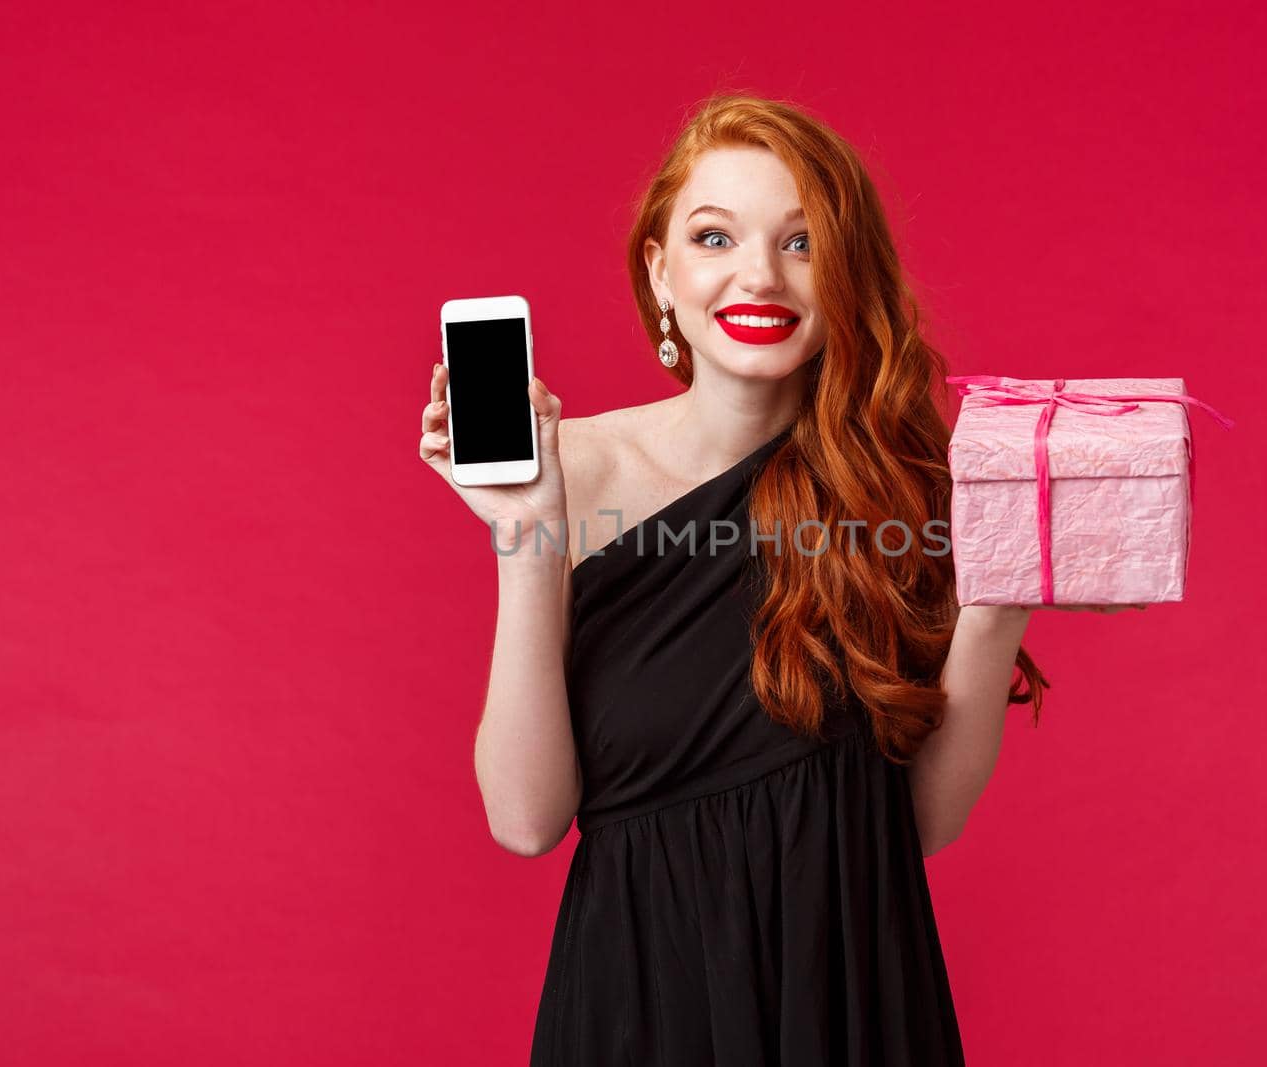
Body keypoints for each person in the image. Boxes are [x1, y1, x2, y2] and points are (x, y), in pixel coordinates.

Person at [418, 92, 1140, 1066]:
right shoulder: (567, 471)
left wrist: (993, 601)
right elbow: (525, 815)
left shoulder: (905, 485)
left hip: (853, 999)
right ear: (659, 270)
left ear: (847, 275)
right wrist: (528, 533)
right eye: (713, 237)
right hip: (643, 1005)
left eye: (801, 243)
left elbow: (918, 823)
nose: (758, 274)